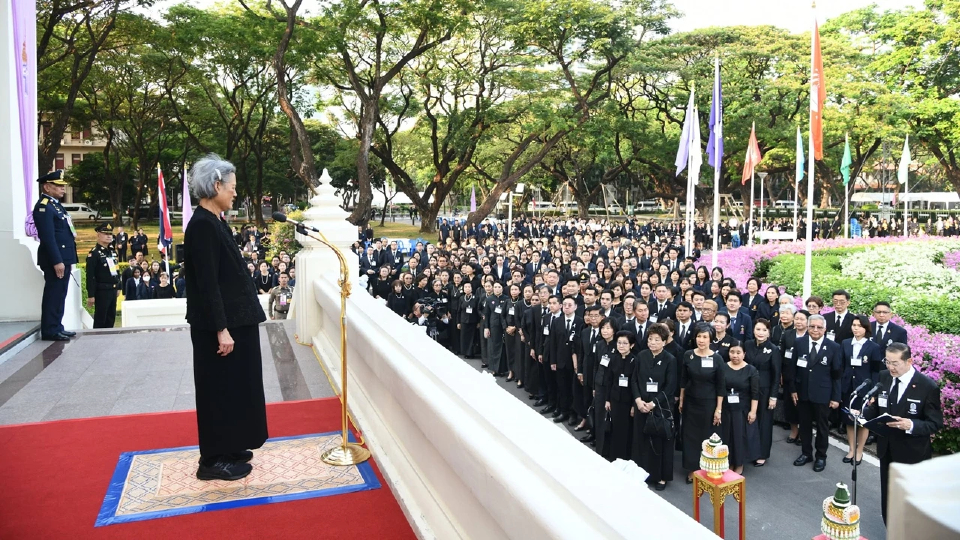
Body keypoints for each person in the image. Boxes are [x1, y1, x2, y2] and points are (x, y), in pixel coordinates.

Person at [183, 155, 268, 482]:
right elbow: (207, 284)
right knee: (218, 390)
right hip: (219, 327)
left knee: (235, 387)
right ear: (216, 185)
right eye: (231, 187)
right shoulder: (202, 225)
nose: (235, 193)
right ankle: (213, 459)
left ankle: (231, 445)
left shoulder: (215, 220)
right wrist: (222, 329)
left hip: (235, 321)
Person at [862, 342, 943, 523]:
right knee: (888, 495)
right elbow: (877, 409)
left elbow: (935, 423)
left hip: (912, 454)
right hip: (887, 450)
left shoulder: (927, 386)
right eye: (887, 362)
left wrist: (912, 425)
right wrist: (864, 412)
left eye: (895, 363)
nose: (890, 367)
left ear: (909, 361)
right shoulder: (884, 377)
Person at [791, 314, 842, 473]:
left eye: (819, 327)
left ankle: (821, 456)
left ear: (825, 329)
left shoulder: (833, 347)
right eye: (812, 326)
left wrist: (836, 397)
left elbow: (836, 375)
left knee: (822, 427)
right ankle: (806, 453)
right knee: (804, 425)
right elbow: (792, 369)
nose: (815, 330)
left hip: (823, 394)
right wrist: (793, 389)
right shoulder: (799, 343)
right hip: (803, 392)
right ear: (807, 327)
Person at [32, 170, 78, 341]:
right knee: (53, 294)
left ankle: (57, 326)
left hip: (64, 257)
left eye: (63, 186)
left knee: (60, 294)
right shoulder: (43, 207)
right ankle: (50, 329)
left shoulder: (55, 205)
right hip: (55, 259)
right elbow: (48, 237)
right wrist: (57, 260)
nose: (63, 189)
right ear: (47, 187)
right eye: (58, 186)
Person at [631, 324, 677, 491]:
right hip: (641, 404)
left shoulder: (670, 360)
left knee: (659, 443)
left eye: (657, 340)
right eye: (650, 339)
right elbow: (634, 379)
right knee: (640, 440)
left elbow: (670, 387)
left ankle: (661, 477)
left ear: (664, 342)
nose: (653, 343)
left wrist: (653, 404)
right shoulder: (641, 356)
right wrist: (637, 401)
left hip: (659, 407)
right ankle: (642, 473)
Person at [680, 323, 725, 484]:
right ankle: (693, 469)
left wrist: (718, 409)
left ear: (711, 339)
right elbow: (683, 380)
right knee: (690, 436)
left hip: (709, 403)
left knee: (707, 436)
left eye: (705, 337)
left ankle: (708, 469)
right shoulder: (688, 355)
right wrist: (681, 399)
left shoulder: (717, 358)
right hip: (691, 402)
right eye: (699, 336)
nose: (701, 340)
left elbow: (721, 386)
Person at [840, 315, 882, 465]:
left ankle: (859, 451)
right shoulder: (845, 343)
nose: (856, 328)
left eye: (859, 326)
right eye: (854, 325)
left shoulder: (874, 347)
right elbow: (842, 366)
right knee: (849, 420)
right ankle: (851, 449)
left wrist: (873, 393)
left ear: (866, 328)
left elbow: (876, 371)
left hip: (865, 389)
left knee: (863, 422)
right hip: (848, 388)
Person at [743, 318, 780, 466]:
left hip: (765, 390)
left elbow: (776, 375)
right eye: (758, 329)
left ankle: (762, 453)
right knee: (748, 420)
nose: (760, 333)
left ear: (769, 332)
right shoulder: (747, 345)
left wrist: (773, 396)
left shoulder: (774, 349)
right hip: (747, 388)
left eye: (764, 330)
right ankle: (748, 450)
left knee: (764, 423)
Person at [721, 344, 760, 474]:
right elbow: (719, 389)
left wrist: (753, 411)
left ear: (744, 354)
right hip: (726, 408)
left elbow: (755, 393)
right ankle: (728, 461)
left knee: (739, 437)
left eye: (738, 352)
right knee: (727, 436)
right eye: (732, 352)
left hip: (742, 409)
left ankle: (739, 463)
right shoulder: (723, 367)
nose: (735, 355)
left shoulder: (751, 370)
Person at [598, 330, 637, 461]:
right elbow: (609, 380)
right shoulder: (614, 359)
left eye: (625, 343)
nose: (621, 346)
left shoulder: (635, 361)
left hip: (627, 401)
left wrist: (633, 405)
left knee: (626, 430)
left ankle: (624, 457)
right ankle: (613, 456)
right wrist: (607, 399)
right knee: (613, 428)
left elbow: (635, 385)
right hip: (614, 399)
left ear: (631, 345)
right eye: (619, 343)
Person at [85, 222, 121, 328]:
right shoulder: (94, 253)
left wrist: (119, 285)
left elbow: (117, 270)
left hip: (113, 290)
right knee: (101, 319)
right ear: (98, 235)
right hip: (102, 291)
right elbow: (90, 276)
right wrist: (91, 295)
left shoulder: (111, 252)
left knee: (111, 318)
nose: (109, 236)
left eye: (110, 234)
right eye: (105, 234)